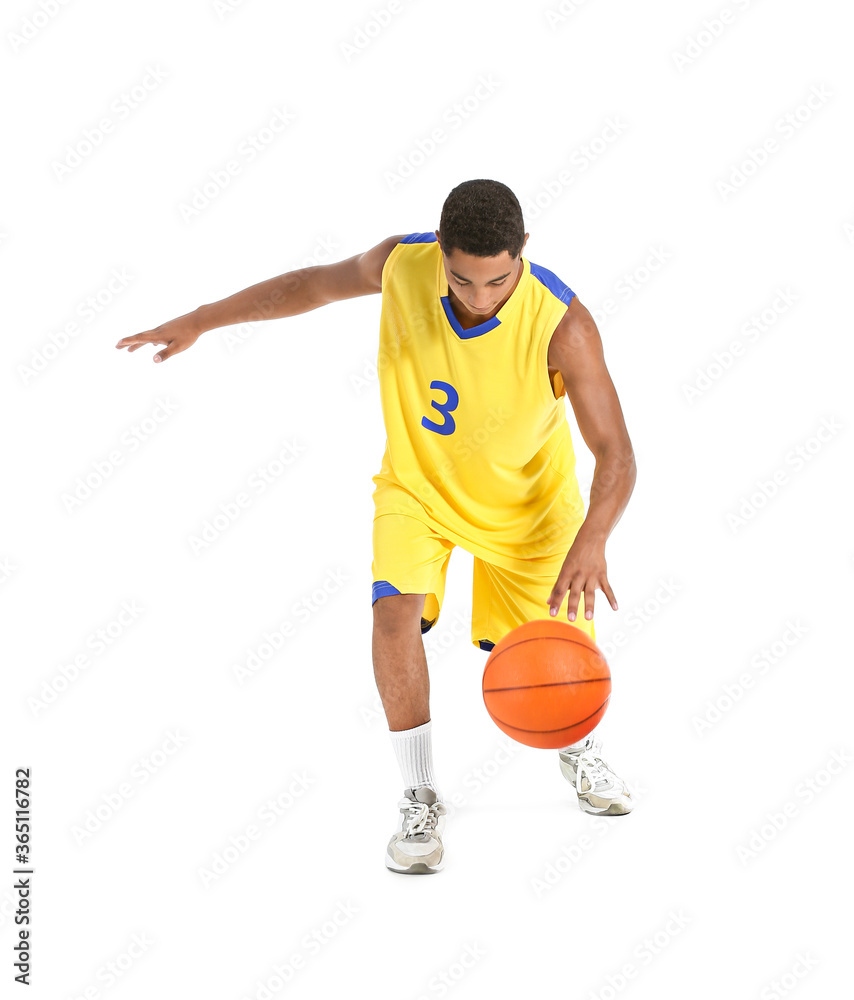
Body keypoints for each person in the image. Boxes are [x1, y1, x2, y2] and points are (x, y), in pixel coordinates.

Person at [116, 178, 637, 875]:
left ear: (523, 255)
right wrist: (204, 318)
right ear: (441, 253)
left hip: (530, 511)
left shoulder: (564, 324)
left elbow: (617, 453)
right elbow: (313, 286)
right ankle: (419, 794)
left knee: (554, 660)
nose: (480, 297)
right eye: (462, 279)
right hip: (417, 491)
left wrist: (595, 536)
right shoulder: (401, 263)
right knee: (392, 615)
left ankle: (576, 746)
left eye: (498, 280)